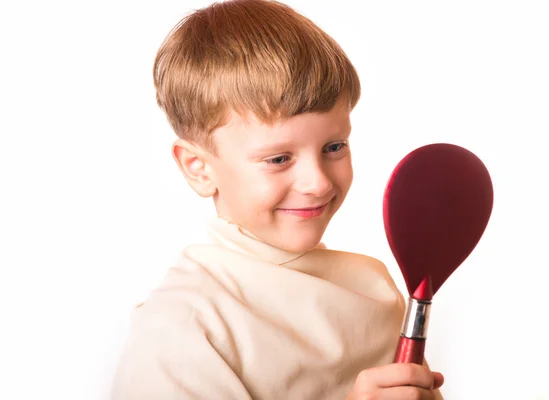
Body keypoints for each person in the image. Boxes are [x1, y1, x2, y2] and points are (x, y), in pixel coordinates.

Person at [111, 0, 445, 398]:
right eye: (279, 159)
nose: (318, 182)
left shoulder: (372, 287)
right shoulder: (185, 326)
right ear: (199, 168)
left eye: (334, 146)